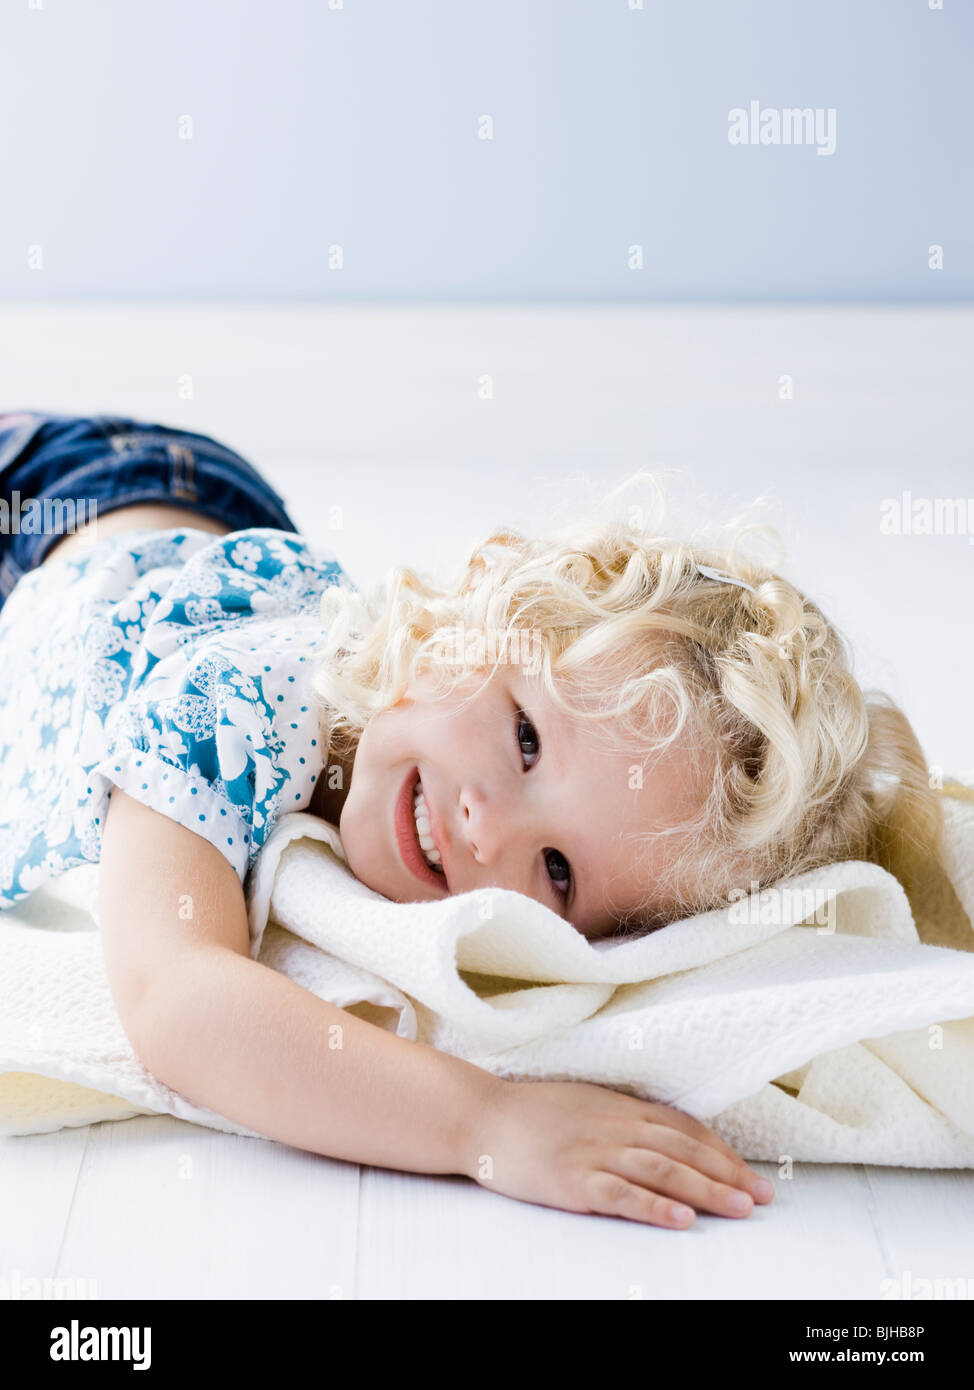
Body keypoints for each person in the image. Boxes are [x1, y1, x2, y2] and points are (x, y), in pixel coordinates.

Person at [2, 410, 954, 1227]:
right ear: (466, 623)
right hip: (64, 495)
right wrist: (484, 1125)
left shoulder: (441, 734)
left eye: (560, 872)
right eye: (528, 740)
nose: (488, 829)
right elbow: (175, 1001)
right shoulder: (226, 712)